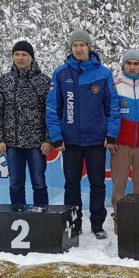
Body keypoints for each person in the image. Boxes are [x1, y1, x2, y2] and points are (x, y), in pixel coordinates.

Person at [46, 29, 120, 240]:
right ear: (71, 49)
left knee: (97, 183)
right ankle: (73, 223)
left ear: (89, 47)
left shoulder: (103, 73)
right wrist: (56, 137)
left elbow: (112, 106)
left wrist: (111, 133)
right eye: (75, 45)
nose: (78, 49)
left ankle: (97, 224)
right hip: (70, 142)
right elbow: (52, 108)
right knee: (71, 184)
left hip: (96, 140)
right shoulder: (60, 73)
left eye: (82, 45)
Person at [0, 40, 52, 211]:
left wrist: (48, 139)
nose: (20, 58)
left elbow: (51, 112)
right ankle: (17, 214)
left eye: (24, 54)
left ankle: (42, 216)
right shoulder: (5, 81)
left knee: (39, 182)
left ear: (31, 57)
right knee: (16, 183)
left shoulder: (44, 81)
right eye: (17, 54)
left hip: (37, 143)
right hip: (12, 143)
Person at [111, 48, 139, 234]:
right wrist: (110, 138)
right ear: (123, 66)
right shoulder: (115, 86)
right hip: (121, 144)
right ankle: (119, 218)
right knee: (119, 184)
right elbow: (110, 114)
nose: (133, 67)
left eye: (136, 64)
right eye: (129, 63)